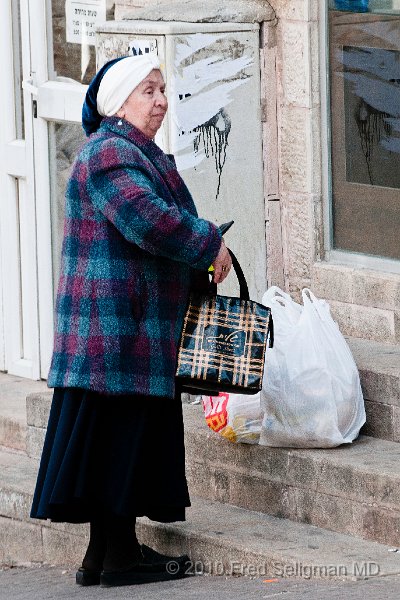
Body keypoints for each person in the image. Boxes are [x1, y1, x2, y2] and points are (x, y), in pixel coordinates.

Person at [30, 54, 232, 588]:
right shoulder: (112, 153)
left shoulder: (126, 151)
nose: (161, 101)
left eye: (163, 90)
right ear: (118, 102)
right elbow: (150, 222)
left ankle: (105, 554)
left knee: (110, 442)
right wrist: (208, 243)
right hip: (117, 328)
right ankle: (118, 557)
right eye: (148, 91)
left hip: (123, 326)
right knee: (120, 440)